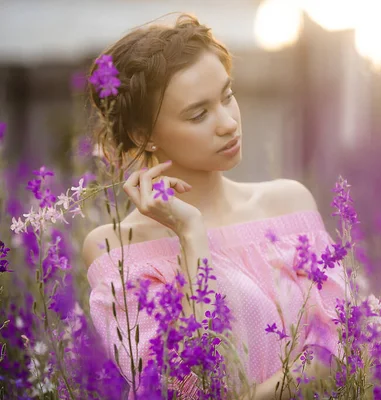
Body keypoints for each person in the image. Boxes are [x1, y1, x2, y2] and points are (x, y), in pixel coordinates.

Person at [82, 13, 346, 400]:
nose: (227, 123)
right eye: (199, 114)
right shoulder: (116, 249)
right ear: (144, 135)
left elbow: (337, 349)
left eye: (227, 96)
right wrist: (191, 236)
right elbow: (181, 387)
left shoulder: (289, 204)